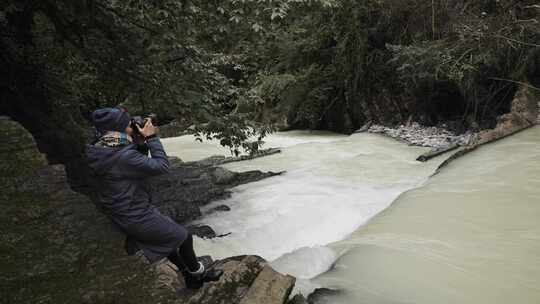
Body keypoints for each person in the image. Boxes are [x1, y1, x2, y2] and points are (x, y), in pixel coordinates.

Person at [85, 107, 222, 289]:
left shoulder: (103, 147)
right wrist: (152, 138)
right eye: (128, 125)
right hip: (134, 213)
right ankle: (198, 273)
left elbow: (136, 167)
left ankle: (188, 276)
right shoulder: (123, 155)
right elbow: (162, 166)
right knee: (184, 237)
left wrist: (140, 144)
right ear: (117, 129)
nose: (132, 127)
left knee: (168, 241)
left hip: (126, 208)